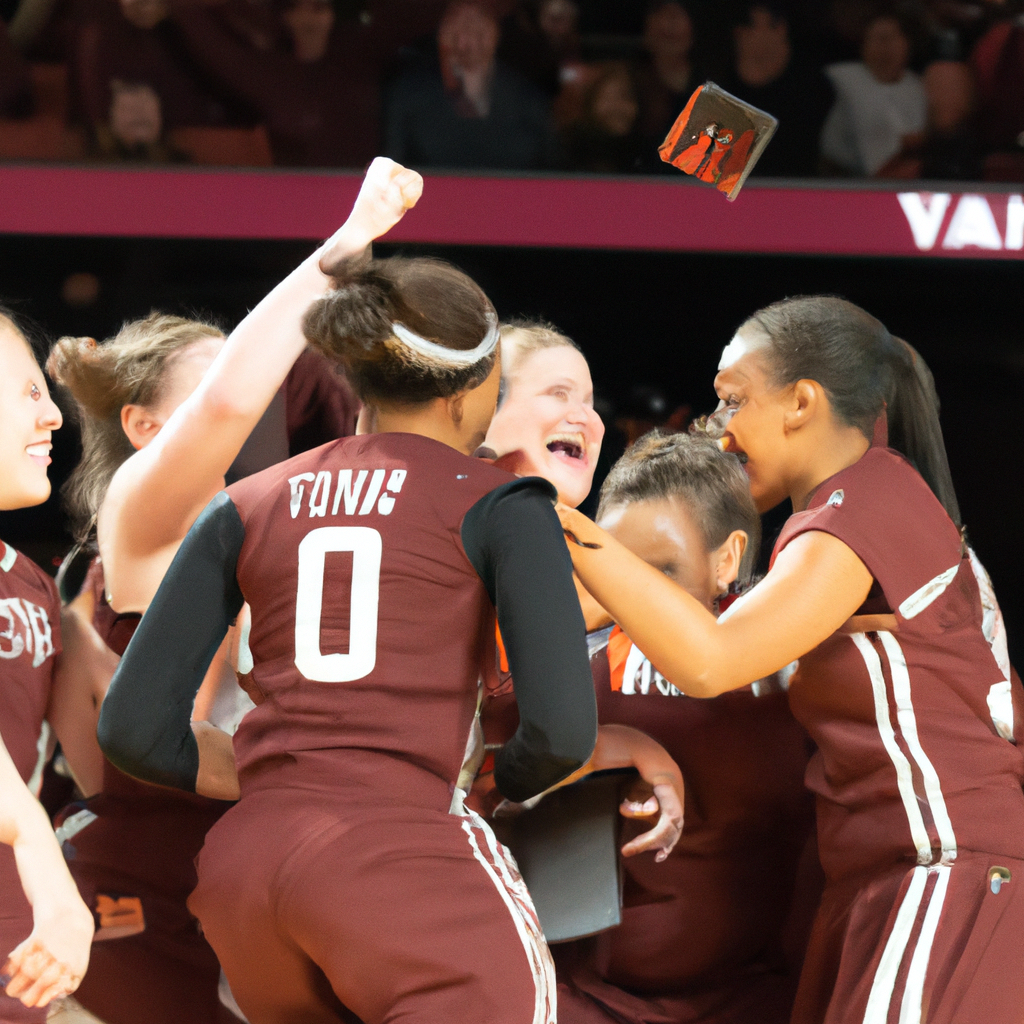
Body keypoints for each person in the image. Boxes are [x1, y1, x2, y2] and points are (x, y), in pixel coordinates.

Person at [97, 253, 601, 1024]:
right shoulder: (502, 502)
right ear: (479, 384)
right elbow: (562, 734)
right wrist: (492, 782)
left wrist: (274, 778)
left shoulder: (244, 503)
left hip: (248, 874)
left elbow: (131, 731)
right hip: (403, 860)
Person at [557, 295, 1024, 1024]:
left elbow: (709, 660)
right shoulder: (847, 514)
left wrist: (550, 519)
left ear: (802, 401)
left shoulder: (866, 502)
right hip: (900, 871)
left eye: (731, 399)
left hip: (943, 863)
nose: (719, 430)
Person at [46, 158, 422, 1024]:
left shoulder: (276, 523)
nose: (252, 401)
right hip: (128, 898)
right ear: (143, 426)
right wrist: (347, 242)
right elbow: (203, 760)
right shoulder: (139, 518)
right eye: (222, 384)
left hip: (244, 894)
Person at [554, 433, 816, 1024]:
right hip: (574, 998)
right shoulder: (555, 665)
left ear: (727, 559)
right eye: (617, 568)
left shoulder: (802, 677)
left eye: (662, 570)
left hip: (761, 1003)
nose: (634, 594)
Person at [0, 309, 104, 1023]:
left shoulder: (35, 583)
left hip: (24, 941)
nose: (54, 420)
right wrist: (47, 864)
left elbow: (96, 765)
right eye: (29, 394)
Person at [385, 0, 555, 171]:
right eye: (458, 19)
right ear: (443, 31)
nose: (467, 35)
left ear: (494, 31)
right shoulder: (409, 94)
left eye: (479, 19)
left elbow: (551, 168)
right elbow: (393, 165)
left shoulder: (528, 100)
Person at [724, 4, 834, 178]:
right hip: (726, 194)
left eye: (750, 25)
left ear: (780, 29)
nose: (741, 33)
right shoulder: (720, 84)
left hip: (796, 190)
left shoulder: (813, 88)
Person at [820, 13, 927, 175]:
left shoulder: (918, 87)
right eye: (875, 39)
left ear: (907, 44)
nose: (883, 47)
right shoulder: (838, 79)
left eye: (889, 38)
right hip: (840, 180)